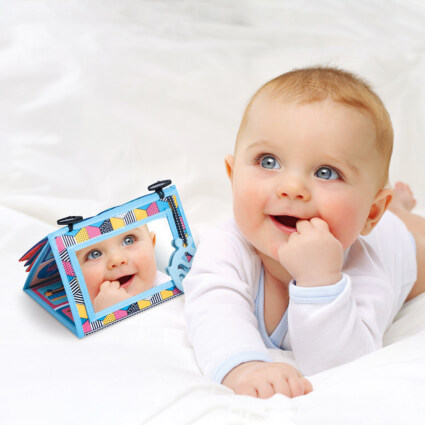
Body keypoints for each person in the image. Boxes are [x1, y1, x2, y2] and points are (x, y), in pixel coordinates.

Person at [183, 66, 425, 399]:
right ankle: (396, 204)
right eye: (268, 161)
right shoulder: (227, 247)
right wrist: (245, 367)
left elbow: (347, 364)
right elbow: (212, 311)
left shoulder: (366, 269)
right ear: (232, 174)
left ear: (371, 213)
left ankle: (398, 211)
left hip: (402, 245)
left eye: (326, 172)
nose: (292, 187)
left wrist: (321, 282)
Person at [76, 224, 170, 312]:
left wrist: (115, 313)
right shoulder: (79, 310)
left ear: (152, 244)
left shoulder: (172, 293)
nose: (116, 259)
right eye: (94, 254)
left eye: (128, 240)